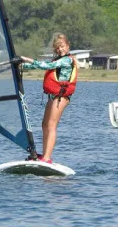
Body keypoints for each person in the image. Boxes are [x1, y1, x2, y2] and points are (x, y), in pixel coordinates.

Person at [20, 33, 77, 164]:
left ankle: (47, 158)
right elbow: (42, 64)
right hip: (53, 97)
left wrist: (29, 60)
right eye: (57, 48)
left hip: (61, 97)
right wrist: (21, 66)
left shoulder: (67, 60)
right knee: (44, 124)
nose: (60, 50)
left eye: (62, 47)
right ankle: (44, 155)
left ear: (68, 46)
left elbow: (47, 67)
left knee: (51, 125)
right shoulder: (56, 60)